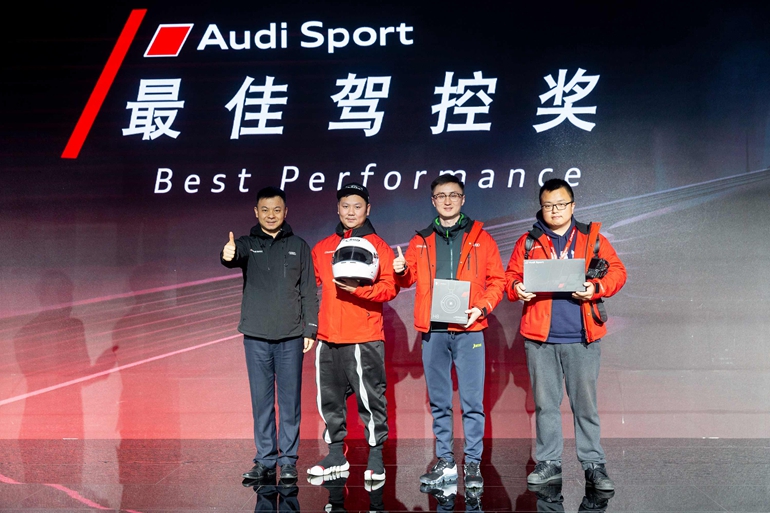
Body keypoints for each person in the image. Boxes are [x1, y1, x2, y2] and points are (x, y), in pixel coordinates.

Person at [505, 178, 626, 491]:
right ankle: (549, 462)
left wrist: (595, 288)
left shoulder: (591, 238)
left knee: (585, 405)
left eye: (561, 204)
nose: (555, 210)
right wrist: (517, 288)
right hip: (540, 339)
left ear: (573, 206)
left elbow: (617, 272)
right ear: (541, 207)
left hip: (582, 336)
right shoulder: (528, 242)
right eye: (548, 205)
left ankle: (593, 464)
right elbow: (510, 277)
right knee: (545, 405)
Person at [392, 174, 505, 490]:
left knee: (472, 403)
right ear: (433, 201)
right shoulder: (420, 240)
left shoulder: (482, 238)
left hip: (470, 329)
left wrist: (481, 308)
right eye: (441, 195)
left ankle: (473, 463)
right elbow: (407, 279)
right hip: (434, 331)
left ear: (463, 199)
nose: (447, 200)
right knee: (439, 402)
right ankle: (446, 461)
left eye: (453, 195)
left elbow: (498, 281)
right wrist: (400, 271)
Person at [220, 186, 318, 482]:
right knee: (261, 403)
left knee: (290, 403)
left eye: (277, 210)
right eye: (265, 210)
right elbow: (232, 256)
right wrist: (227, 254)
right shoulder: (247, 244)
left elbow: (309, 291)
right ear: (256, 212)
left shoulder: (299, 245)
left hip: (291, 336)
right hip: (256, 336)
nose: (271, 215)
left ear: (285, 212)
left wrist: (310, 329)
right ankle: (264, 459)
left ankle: (287, 461)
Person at [309, 182, 398, 482]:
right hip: (327, 337)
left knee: (371, 399)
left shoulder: (379, 247)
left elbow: (390, 288)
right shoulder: (322, 247)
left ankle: (376, 456)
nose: (351, 212)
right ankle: (336, 454)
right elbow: (308, 287)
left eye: (357, 206)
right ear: (338, 208)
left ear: (368, 209)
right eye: (345, 206)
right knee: (329, 399)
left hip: (364, 335)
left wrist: (360, 291)